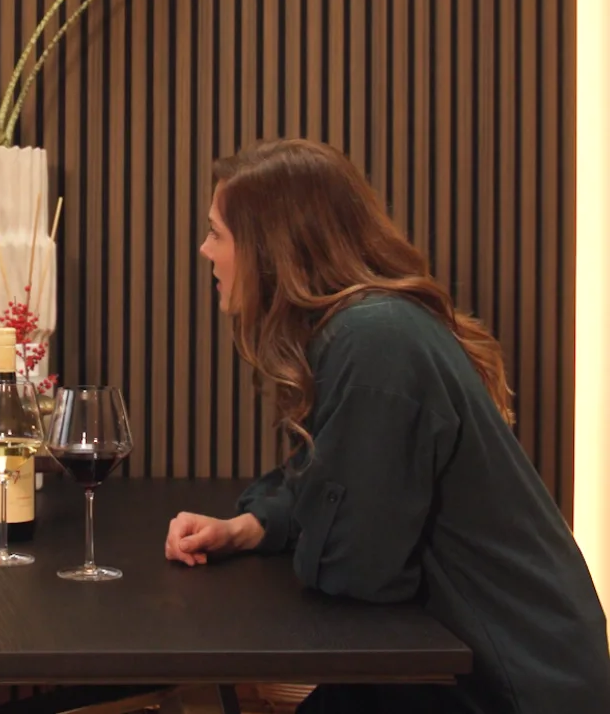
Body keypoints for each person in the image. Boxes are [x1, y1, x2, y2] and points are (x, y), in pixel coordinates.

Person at [164, 138, 610, 713]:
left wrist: (308, 527)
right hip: (472, 662)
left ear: (273, 249)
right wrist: (253, 525)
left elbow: (353, 568)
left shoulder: (374, 343)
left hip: (512, 685)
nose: (205, 250)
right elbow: (325, 485)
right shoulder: (366, 327)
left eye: (217, 233)